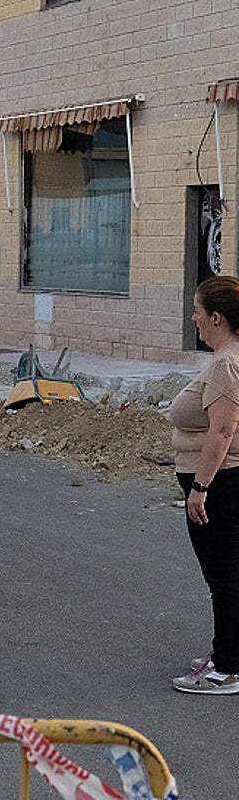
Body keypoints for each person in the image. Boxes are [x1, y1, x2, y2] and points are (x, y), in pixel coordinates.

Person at [167, 276, 239, 694]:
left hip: (221, 482)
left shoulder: (225, 363)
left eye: (197, 311)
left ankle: (226, 669)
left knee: (224, 577)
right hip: (227, 479)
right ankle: (228, 650)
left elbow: (224, 429)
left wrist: (201, 487)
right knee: (229, 574)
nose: (192, 319)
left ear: (216, 317)